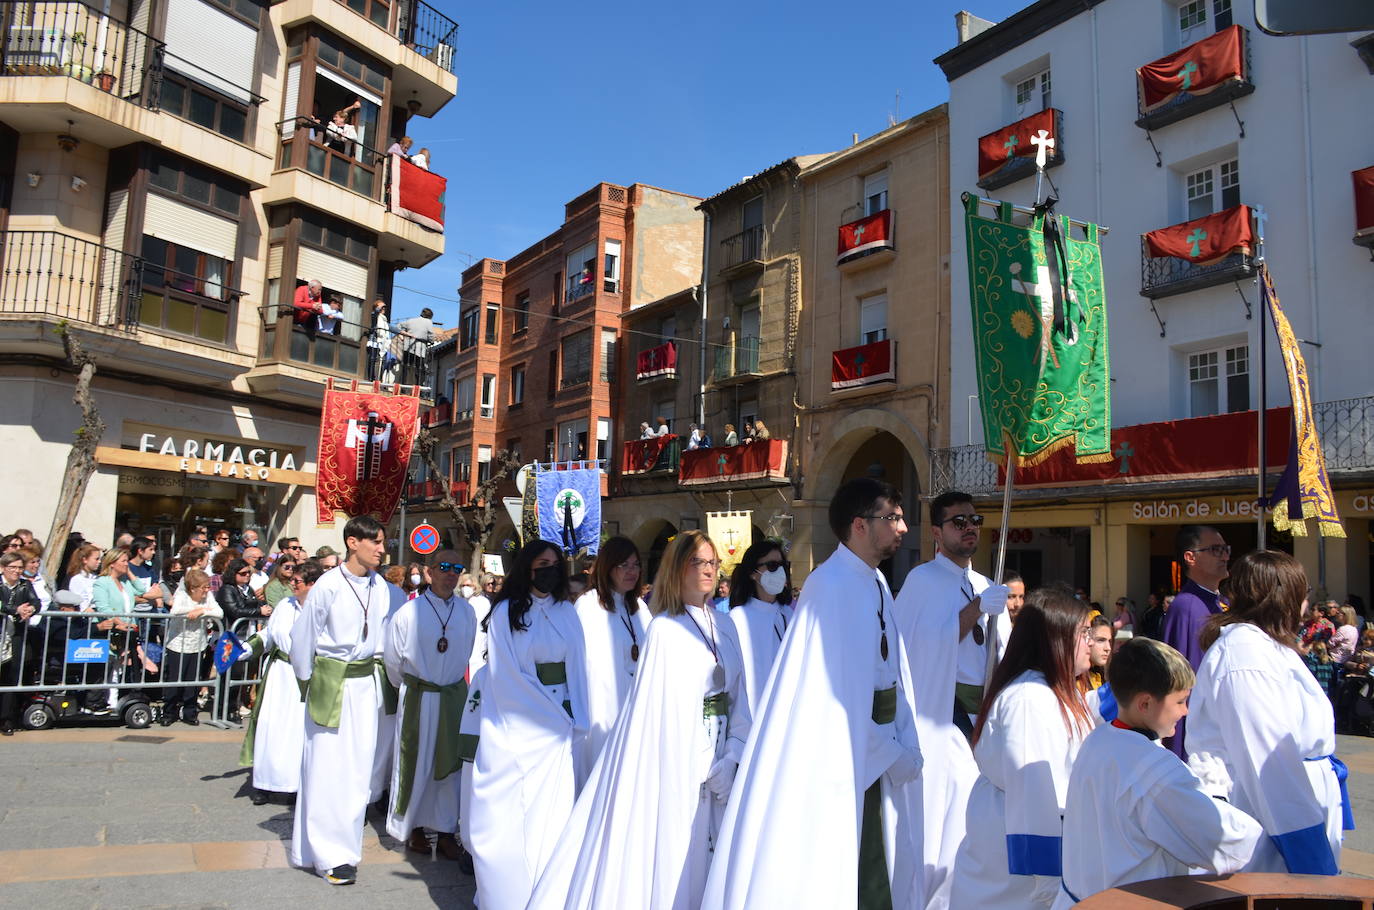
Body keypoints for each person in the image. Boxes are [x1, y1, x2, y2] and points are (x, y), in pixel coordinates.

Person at [703, 478, 923, 909]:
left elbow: (890, 671)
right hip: (845, 754)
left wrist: (904, 736)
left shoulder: (875, 581)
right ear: (859, 525)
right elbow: (832, 698)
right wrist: (890, 751)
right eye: (891, 518)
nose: (902, 528)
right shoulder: (832, 586)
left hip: (879, 745)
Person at [530, 529, 754, 909]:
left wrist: (733, 755)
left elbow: (740, 699)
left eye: (713, 562)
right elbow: (662, 713)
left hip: (725, 757)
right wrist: (704, 762)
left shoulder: (726, 625)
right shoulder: (665, 629)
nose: (708, 569)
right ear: (677, 568)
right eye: (697, 561)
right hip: (687, 765)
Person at [1053, 638, 1262, 908]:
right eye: (1180, 701)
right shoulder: (1154, 771)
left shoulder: (1098, 740)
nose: (1186, 711)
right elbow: (1226, 843)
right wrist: (1217, 796)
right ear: (1145, 704)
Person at [1187, 550, 1351, 876]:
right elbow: (1270, 766)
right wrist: (1312, 861)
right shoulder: (1246, 655)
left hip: (1292, 806)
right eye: (1303, 594)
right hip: (1270, 824)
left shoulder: (1266, 646)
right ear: (1284, 596)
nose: (1306, 604)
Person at [893, 490, 1007, 909]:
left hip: (988, 718)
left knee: (985, 818)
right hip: (946, 716)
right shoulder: (922, 582)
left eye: (974, 520)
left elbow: (1003, 654)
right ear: (937, 533)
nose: (970, 528)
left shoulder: (984, 583)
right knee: (954, 810)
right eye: (959, 522)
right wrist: (977, 609)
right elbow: (917, 649)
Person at [949, 584, 1095, 910]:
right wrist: (1051, 890)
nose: (1091, 642)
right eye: (1084, 632)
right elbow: (1034, 799)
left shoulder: (1055, 690)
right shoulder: (1030, 700)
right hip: (1019, 883)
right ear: (1054, 638)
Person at [467, 540, 589, 910]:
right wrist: (552, 717)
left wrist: (578, 717)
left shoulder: (567, 613)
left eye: (555, 564)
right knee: (515, 817)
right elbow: (508, 677)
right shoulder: (506, 612)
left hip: (563, 723)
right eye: (542, 563)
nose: (549, 570)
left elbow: (580, 668)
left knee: (557, 818)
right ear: (527, 567)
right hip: (523, 724)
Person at [290, 516, 406, 885]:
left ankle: (345, 846)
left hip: (369, 686)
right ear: (353, 542)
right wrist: (310, 685)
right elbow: (303, 639)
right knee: (327, 769)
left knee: (359, 772)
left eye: (383, 543)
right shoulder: (327, 585)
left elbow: (402, 626)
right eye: (376, 543)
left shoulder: (386, 588)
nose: (382, 549)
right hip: (333, 682)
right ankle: (330, 854)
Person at [384, 550, 476, 861]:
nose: (450, 573)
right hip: (420, 696)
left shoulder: (467, 612)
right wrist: (411, 686)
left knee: (450, 768)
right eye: (444, 567)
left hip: (452, 696)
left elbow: (466, 652)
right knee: (417, 762)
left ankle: (447, 830)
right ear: (429, 572)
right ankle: (414, 828)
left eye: (456, 568)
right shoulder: (408, 613)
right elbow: (393, 660)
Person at [238, 560, 322, 802]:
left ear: (313, 584)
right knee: (270, 727)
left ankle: (296, 785)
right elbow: (269, 634)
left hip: (306, 677)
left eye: (297, 581)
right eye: (292, 579)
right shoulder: (285, 605)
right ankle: (264, 783)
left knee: (297, 730)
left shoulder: (322, 610)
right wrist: (245, 648)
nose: (292, 584)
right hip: (279, 674)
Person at [572, 536, 649, 762]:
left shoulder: (639, 608)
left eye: (635, 565)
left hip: (636, 705)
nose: (631, 571)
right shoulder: (589, 604)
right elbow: (584, 664)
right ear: (607, 567)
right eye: (623, 565)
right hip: (601, 707)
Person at [1161, 525, 1230, 758]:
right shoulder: (1187, 607)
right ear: (1190, 557)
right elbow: (1183, 682)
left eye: (1225, 549)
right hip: (1198, 737)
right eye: (1216, 549)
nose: (1225, 556)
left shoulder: (1221, 603)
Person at [724, 539, 794, 715]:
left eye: (782, 565)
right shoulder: (738, 618)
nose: (778, 571)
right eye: (771, 565)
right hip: (752, 715)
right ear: (753, 573)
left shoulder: (788, 614)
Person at [162, 568, 221, 727]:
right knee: (174, 680)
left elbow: (219, 612)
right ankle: (169, 712)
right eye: (204, 587)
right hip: (178, 644)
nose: (207, 590)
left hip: (197, 644)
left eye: (208, 586)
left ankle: (189, 712)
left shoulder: (207, 596)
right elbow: (175, 611)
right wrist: (193, 610)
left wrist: (201, 610)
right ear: (193, 588)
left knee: (192, 681)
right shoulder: (182, 595)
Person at [0, 551, 39, 734]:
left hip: (15, 635)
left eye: (19, 567)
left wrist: (30, 608)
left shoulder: (25, 585)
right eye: (12, 567)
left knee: (11, 677)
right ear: (3, 568)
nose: (16, 571)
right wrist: (15, 609)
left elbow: (36, 602)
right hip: (2, 632)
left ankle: (7, 720)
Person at [461, 572, 492, 675]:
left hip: (478, 646)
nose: (465, 588)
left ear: (475, 586)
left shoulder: (482, 602)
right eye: (463, 585)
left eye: (468, 585)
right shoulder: (458, 602)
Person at [1082, 613, 1113, 691]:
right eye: (1101, 640)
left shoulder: (1099, 676)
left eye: (1109, 641)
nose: (1108, 648)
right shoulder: (1076, 684)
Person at [366, 299, 395, 382]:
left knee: (381, 361)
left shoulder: (384, 320)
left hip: (383, 343)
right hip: (375, 341)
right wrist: (380, 306)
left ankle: (378, 379)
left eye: (384, 308)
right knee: (373, 360)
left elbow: (393, 328)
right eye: (382, 307)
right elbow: (376, 311)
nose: (384, 309)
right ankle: (371, 378)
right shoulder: (375, 315)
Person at [66, 542, 102, 608]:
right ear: (85, 560)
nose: (99, 562)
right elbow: (82, 604)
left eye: (100, 559)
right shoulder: (77, 579)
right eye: (96, 559)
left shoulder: (97, 578)